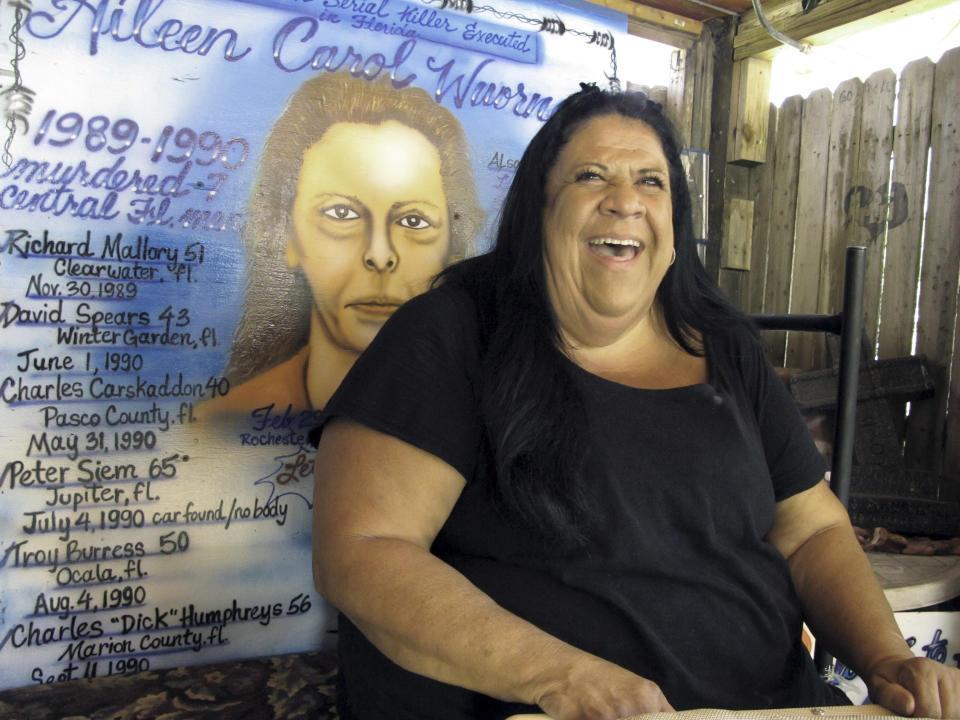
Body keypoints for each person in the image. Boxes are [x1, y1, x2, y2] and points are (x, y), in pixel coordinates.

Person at [311, 84, 960, 720]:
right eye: (591, 176)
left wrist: (886, 659)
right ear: (538, 210)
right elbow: (363, 550)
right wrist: (560, 677)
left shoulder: (726, 344)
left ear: (674, 220)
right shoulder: (453, 333)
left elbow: (811, 529)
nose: (625, 201)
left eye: (651, 182)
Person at [197, 72, 484, 418]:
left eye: (413, 221)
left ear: (453, 250)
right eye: (341, 213)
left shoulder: (489, 423)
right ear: (288, 236)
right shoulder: (218, 426)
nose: (380, 255)